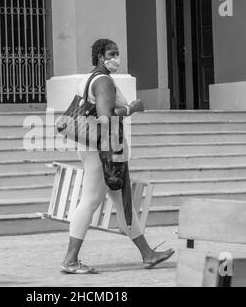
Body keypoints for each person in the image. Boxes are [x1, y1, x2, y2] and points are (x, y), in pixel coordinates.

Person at [60, 39, 175, 274]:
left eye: (118, 53)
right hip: (104, 151)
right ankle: (70, 260)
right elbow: (105, 116)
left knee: (122, 202)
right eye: (112, 54)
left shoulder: (90, 78)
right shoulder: (103, 81)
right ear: (101, 57)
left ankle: (148, 254)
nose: (116, 58)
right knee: (90, 201)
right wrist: (132, 108)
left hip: (99, 148)